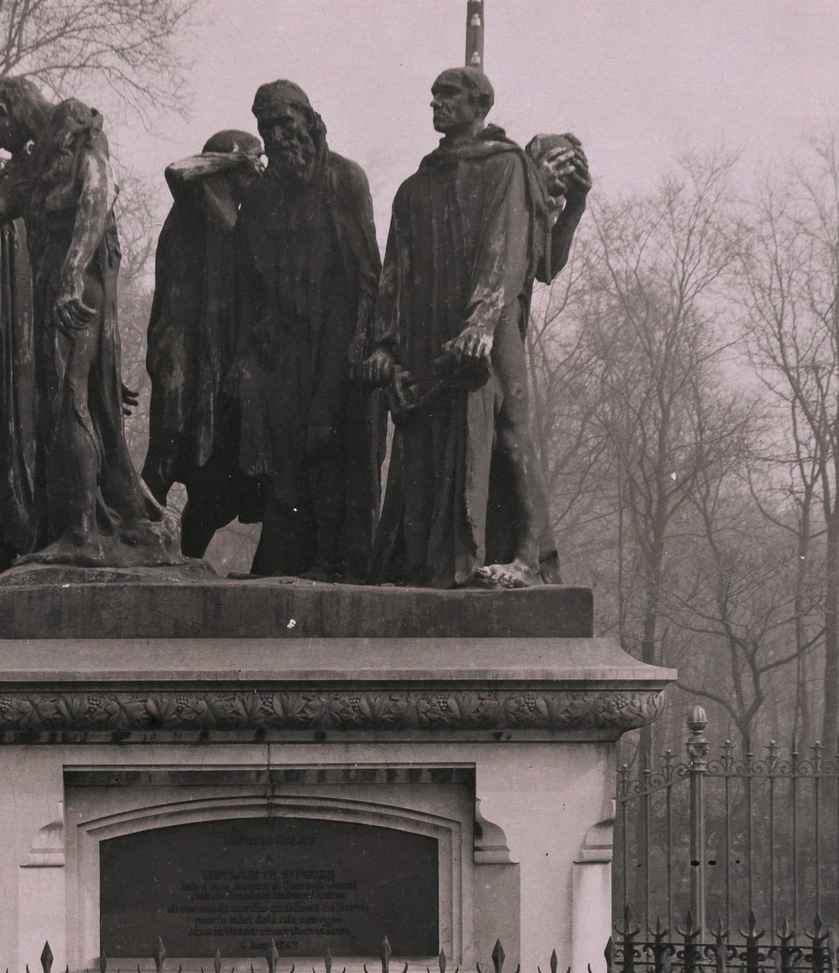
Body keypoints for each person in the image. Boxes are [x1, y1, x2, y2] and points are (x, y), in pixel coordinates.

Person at [0, 76, 177, 571]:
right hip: (59, 291)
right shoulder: (33, 164)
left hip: (76, 286)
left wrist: (68, 273)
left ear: (9, 107)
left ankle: (81, 534)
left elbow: (95, 196)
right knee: (63, 405)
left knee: (69, 402)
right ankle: (89, 523)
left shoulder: (74, 126)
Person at [364, 66, 590, 589]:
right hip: (429, 329)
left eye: (449, 96)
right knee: (426, 438)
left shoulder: (507, 167)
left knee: (511, 432)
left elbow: (514, 253)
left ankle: (529, 558)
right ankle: (427, 559)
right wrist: (385, 348)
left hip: (489, 323)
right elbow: (393, 273)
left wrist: (482, 322)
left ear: (479, 104)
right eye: (434, 97)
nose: (437, 105)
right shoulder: (414, 187)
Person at [229, 80, 383, 581]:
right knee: (286, 456)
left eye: (283, 122)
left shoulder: (344, 180)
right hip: (285, 344)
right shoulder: (260, 196)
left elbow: (367, 273)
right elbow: (247, 280)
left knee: (329, 442)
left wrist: (364, 343)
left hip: (338, 337)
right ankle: (289, 560)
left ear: (309, 120)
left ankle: (337, 562)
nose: (276, 136)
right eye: (266, 127)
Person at [143, 130, 268, 558]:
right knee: (170, 441)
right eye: (256, 160)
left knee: (220, 475)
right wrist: (231, 160)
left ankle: (190, 558)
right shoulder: (196, 200)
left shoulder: (238, 216)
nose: (261, 168)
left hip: (220, 358)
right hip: (182, 348)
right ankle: (136, 542)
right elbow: (178, 170)